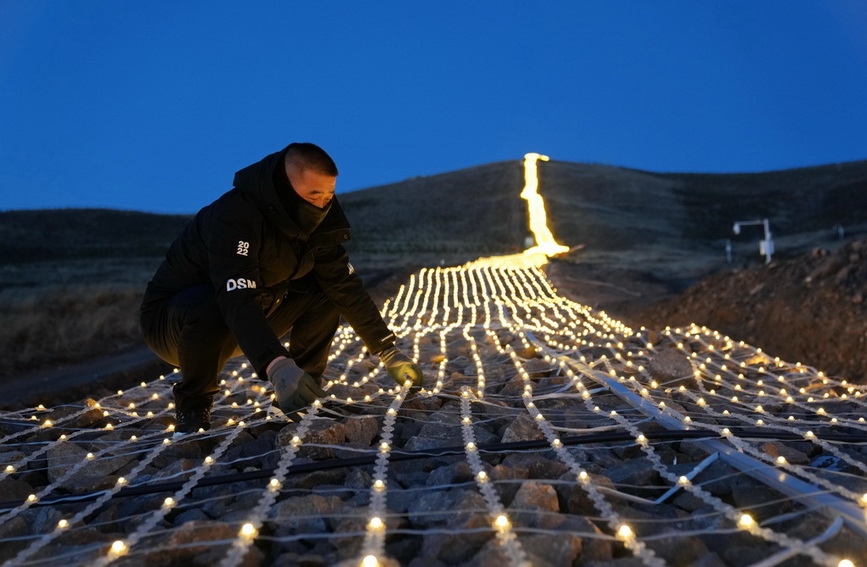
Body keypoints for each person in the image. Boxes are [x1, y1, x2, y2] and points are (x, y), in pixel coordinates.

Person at [140, 142, 423, 434]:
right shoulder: (235, 215)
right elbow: (236, 295)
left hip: (252, 314)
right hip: (176, 326)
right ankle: (193, 410)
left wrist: (386, 349)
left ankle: (301, 393)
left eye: (328, 196)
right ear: (285, 186)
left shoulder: (320, 217)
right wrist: (276, 365)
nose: (322, 205)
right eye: (313, 195)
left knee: (325, 290)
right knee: (212, 300)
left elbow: (343, 283)